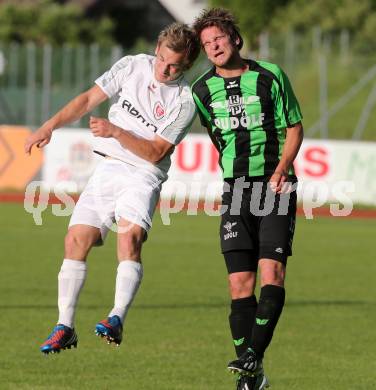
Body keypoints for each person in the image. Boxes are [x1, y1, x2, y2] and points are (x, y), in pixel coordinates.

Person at [24, 22, 200, 355]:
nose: (165, 68)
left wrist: (116, 131)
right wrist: (48, 126)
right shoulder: (133, 65)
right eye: (162, 59)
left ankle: (116, 317)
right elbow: (90, 98)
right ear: (157, 50)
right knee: (76, 239)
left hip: (144, 173)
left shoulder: (184, 100)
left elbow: (156, 153)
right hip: (109, 168)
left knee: (129, 236)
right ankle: (64, 326)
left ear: (187, 65)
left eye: (175, 65)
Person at [192, 8, 303, 390]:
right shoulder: (202, 90)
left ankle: (250, 359)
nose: (213, 47)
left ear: (235, 39)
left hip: (275, 184)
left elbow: (294, 126)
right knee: (240, 284)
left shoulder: (270, 75)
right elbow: (216, 137)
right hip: (236, 188)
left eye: (218, 39)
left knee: (273, 273)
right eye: (206, 44)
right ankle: (252, 372)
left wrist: (282, 166)